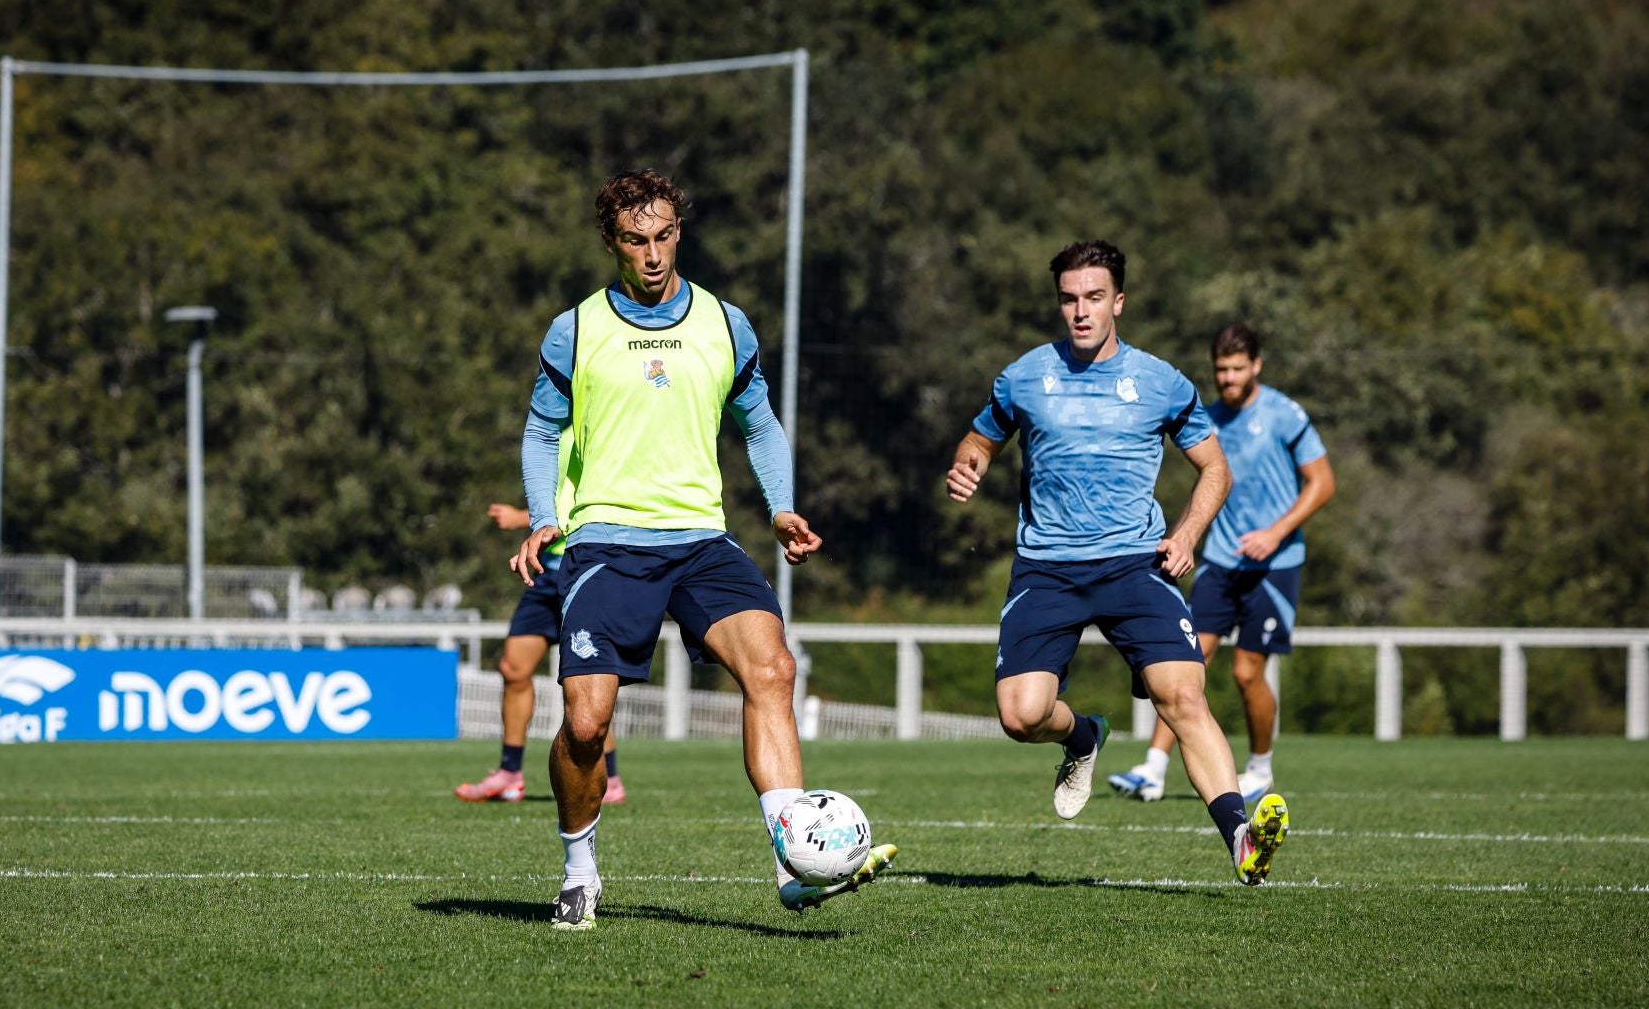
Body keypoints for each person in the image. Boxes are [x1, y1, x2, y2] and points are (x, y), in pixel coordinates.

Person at [510, 168, 896, 930]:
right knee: (586, 725)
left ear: (678, 232)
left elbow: (759, 424)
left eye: (662, 237)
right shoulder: (577, 328)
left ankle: (795, 866)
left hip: (701, 541)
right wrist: (543, 514)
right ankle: (579, 869)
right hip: (607, 544)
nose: (651, 255)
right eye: (634, 240)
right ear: (610, 242)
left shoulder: (726, 323)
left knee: (773, 667)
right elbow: (540, 430)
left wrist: (782, 508)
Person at [944, 239, 1288, 885]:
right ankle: (1082, 736)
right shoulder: (1025, 376)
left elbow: (1215, 467)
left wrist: (1187, 535)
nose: (1080, 311)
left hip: (1135, 565)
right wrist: (971, 465)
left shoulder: (1160, 382)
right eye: (1070, 299)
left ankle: (1241, 838)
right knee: (1020, 716)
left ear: (1118, 302)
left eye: (1094, 298)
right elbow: (981, 438)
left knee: (1183, 695)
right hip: (1047, 568)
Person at [1109, 323, 1333, 806]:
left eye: (1236, 369)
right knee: (1182, 663)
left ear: (1256, 366)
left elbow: (1322, 483)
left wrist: (1275, 533)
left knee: (1247, 674)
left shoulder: (1283, 414)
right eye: (1221, 370)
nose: (1228, 378)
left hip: (1274, 566)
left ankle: (1260, 768)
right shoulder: (1205, 419)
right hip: (1218, 562)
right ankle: (1152, 768)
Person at [455, 502, 625, 806]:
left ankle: (608, 779)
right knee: (513, 669)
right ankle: (510, 774)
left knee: (585, 677)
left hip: (587, 570)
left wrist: (522, 517)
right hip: (545, 573)